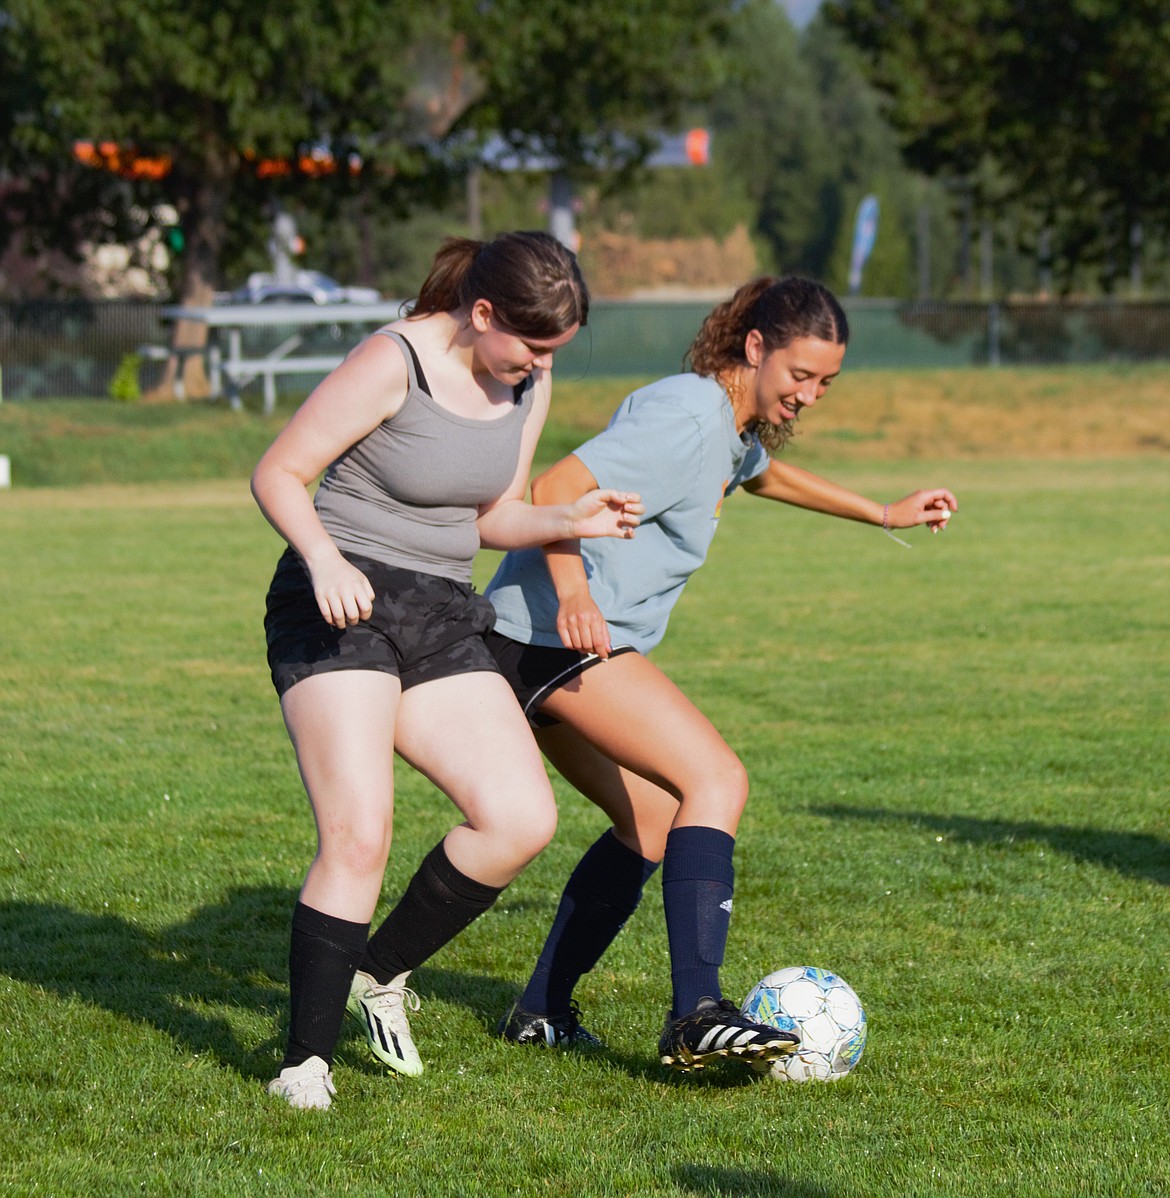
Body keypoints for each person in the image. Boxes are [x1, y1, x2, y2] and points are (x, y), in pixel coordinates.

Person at [484, 275, 957, 1073]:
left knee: (653, 821)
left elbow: (759, 472)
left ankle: (541, 1012)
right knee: (717, 780)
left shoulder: (729, 428)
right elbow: (555, 489)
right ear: (755, 347)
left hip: (536, 640)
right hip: (551, 637)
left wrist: (883, 512)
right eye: (799, 376)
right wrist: (573, 596)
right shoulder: (689, 415)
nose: (809, 395)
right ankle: (696, 1012)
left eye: (825, 384)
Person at [251, 231, 642, 1110]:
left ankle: (376, 973)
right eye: (531, 347)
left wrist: (568, 518)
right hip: (337, 598)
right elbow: (279, 471)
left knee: (519, 817)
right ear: (481, 313)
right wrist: (323, 558)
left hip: (439, 608)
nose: (540, 366)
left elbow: (494, 515)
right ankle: (302, 1064)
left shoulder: (527, 380)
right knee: (359, 832)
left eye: (554, 353)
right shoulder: (394, 361)